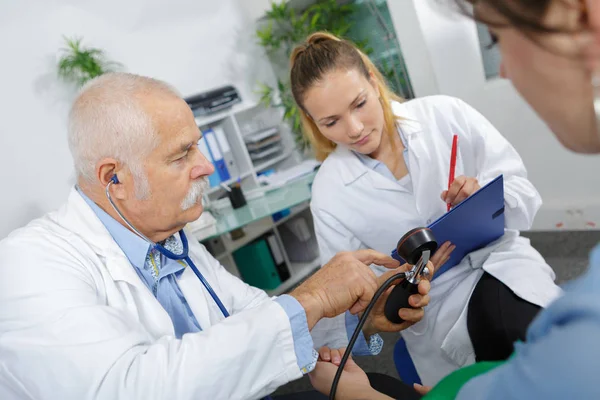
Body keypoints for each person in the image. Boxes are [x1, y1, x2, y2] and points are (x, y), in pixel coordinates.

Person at [0, 72, 433, 400]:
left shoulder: (169, 240)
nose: (206, 165)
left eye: (198, 144)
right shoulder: (27, 266)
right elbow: (130, 387)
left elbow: (254, 316)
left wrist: (359, 315)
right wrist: (313, 298)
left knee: (380, 386)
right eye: (182, 154)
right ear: (115, 178)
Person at [308, 0, 600, 398]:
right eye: (332, 122)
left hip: (503, 266)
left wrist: (483, 195)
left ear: (374, 83)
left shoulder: (445, 115)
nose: (355, 128)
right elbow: (345, 308)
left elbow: (523, 196)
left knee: (535, 337)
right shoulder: (328, 191)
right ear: (315, 126)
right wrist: (380, 308)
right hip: (434, 311)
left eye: (359, 104)